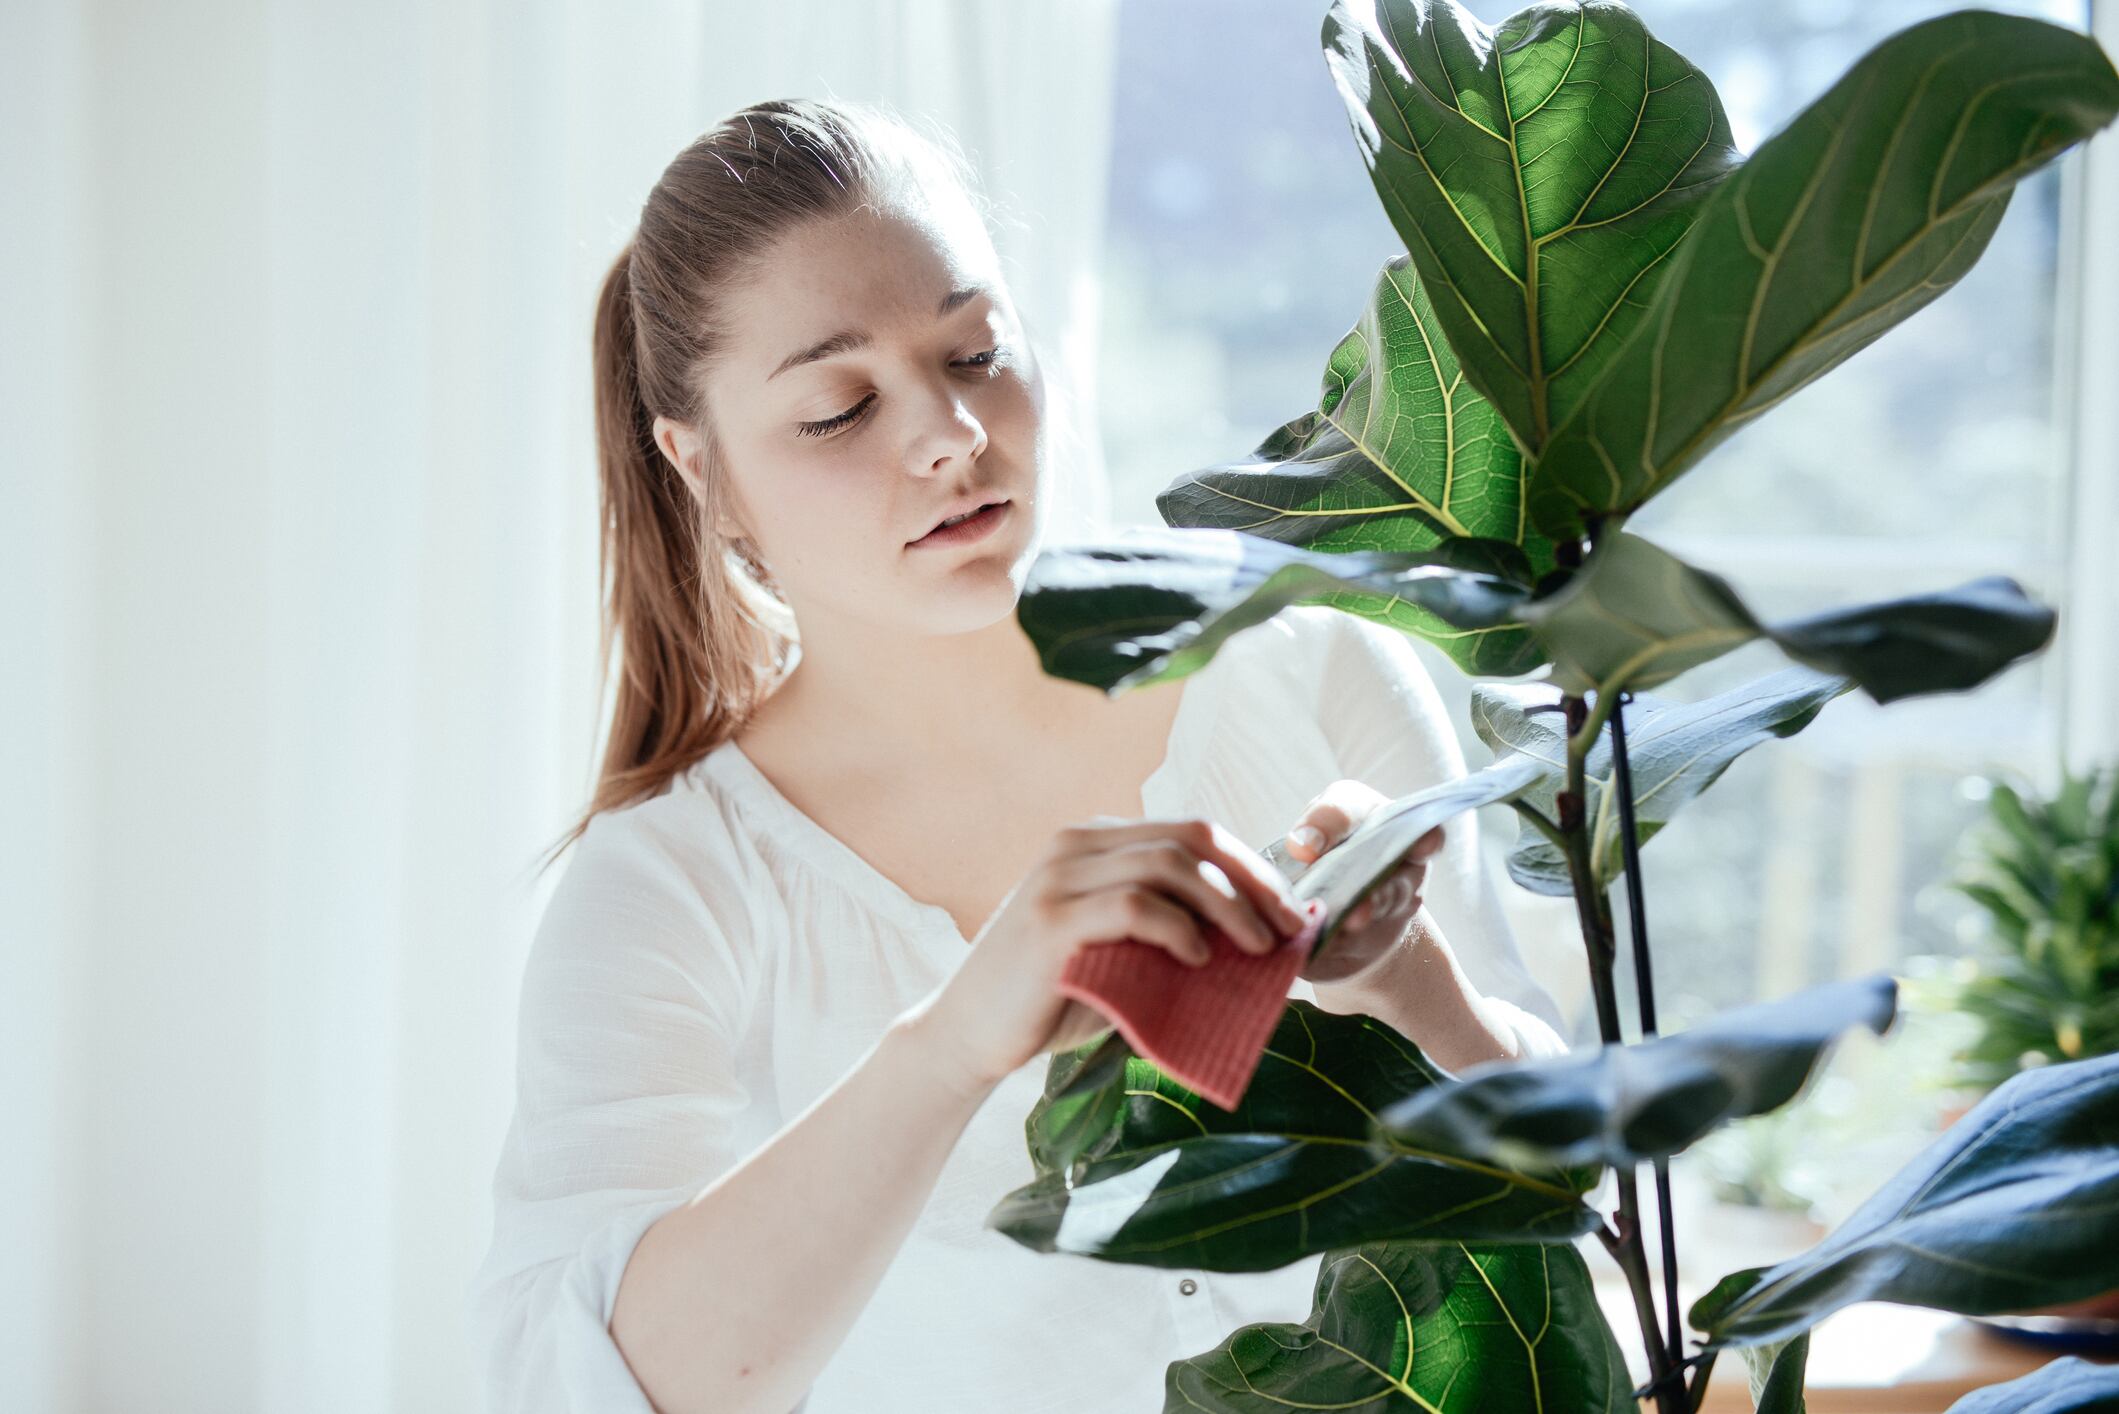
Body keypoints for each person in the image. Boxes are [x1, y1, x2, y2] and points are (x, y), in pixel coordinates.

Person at [464, 96, 1568, 1414]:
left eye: (976, 348)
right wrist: (952, 1041)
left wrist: (1413, 989)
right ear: (697, 464)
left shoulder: (1309, 673)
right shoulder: (671, 882)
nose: (950, 432)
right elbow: (579, 1376)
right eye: (838, 407)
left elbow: (1564, 1196)